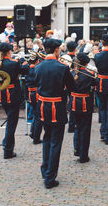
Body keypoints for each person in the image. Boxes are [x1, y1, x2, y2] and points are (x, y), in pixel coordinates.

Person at [35, 38, 75, 188]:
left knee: (47, 138)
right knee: (55, 142)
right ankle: (50, 177)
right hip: (57, 107)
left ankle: (45, 170)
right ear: (57, 50)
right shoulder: (63, 67)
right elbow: (71, 88)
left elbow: (33, 83)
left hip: (43, 106)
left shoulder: (38, 66)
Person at [0, 42, 29, 159]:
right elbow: (26, 70)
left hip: (4, 94)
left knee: (10, 121)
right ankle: (8, 149)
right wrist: (22, 60)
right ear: (9, 52)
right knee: (11, 124)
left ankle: (7, 145)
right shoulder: (13, 63)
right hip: (13, 95)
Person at [70, 53, 95, 163]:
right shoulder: (89, 74)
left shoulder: (71, 73)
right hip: (85, 103)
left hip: (74, 102)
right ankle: (83, 155)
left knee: (77, 126)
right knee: (85, 129)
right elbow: (96, 83)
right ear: (86, 63)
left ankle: (77, 148)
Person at [26, 53, 42, 144]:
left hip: (30, 92)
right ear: (37, 61)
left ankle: (33, 132)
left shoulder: (27, 68)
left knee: (36, 114)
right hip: (36, 93)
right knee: (39, 116)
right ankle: (36, 137)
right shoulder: (36, 69)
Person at [66, 40, 77, 133]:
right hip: (73, 80)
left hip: (64, 82)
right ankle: (72, 124)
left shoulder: (64, 57)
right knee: (72, 101)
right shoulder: (76, 58)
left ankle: (69, 124)